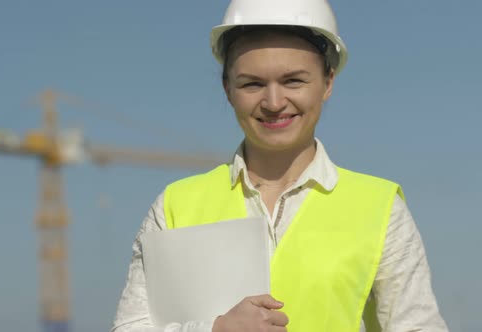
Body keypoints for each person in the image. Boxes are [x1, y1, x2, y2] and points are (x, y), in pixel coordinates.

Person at [112, 0, 448, 331]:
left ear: (327, 82)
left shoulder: (380, 208)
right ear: (228, 89)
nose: (273, 103)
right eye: (252, 84)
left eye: (293, 81)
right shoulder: (175, 207)